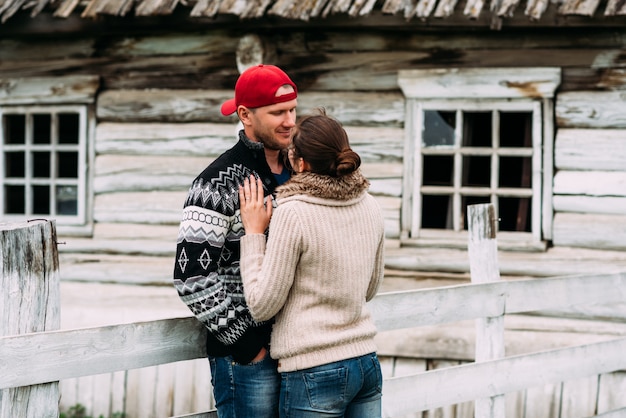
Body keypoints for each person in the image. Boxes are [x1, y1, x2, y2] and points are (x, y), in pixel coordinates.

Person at [238, 109, 386, 417]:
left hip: (314, 370)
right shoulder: (371, 204)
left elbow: (262, 305)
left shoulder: (293, 212)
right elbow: (369, 290)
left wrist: (253, 234)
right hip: (366, 361)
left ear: (301, 163)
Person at [172, 64, 297, 418]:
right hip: (248, 361)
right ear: (245, 115)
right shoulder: (214, 185)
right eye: (277, 113)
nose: (289, 121)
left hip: (302, 352)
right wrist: (248, 347)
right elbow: (191, 277)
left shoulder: (302, 170)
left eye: (292, 110)